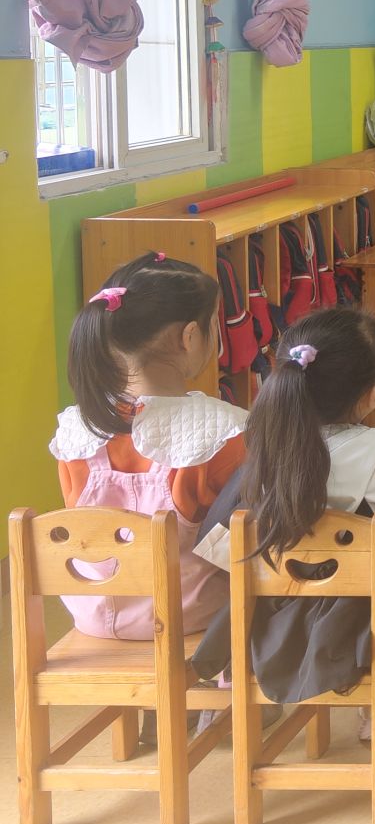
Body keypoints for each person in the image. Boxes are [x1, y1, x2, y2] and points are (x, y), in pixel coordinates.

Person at [192, 308, 375, 724]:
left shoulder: (260, 458)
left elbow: (217, 545)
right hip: (361, 635)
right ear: (374, 393)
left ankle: (233, 688)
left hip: (269, 629)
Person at [50, 252, 246, 639]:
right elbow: (242, 539)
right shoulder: (224, 433)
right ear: (190, 337)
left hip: (92, 615)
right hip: (191, 615)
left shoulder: (75, 431)